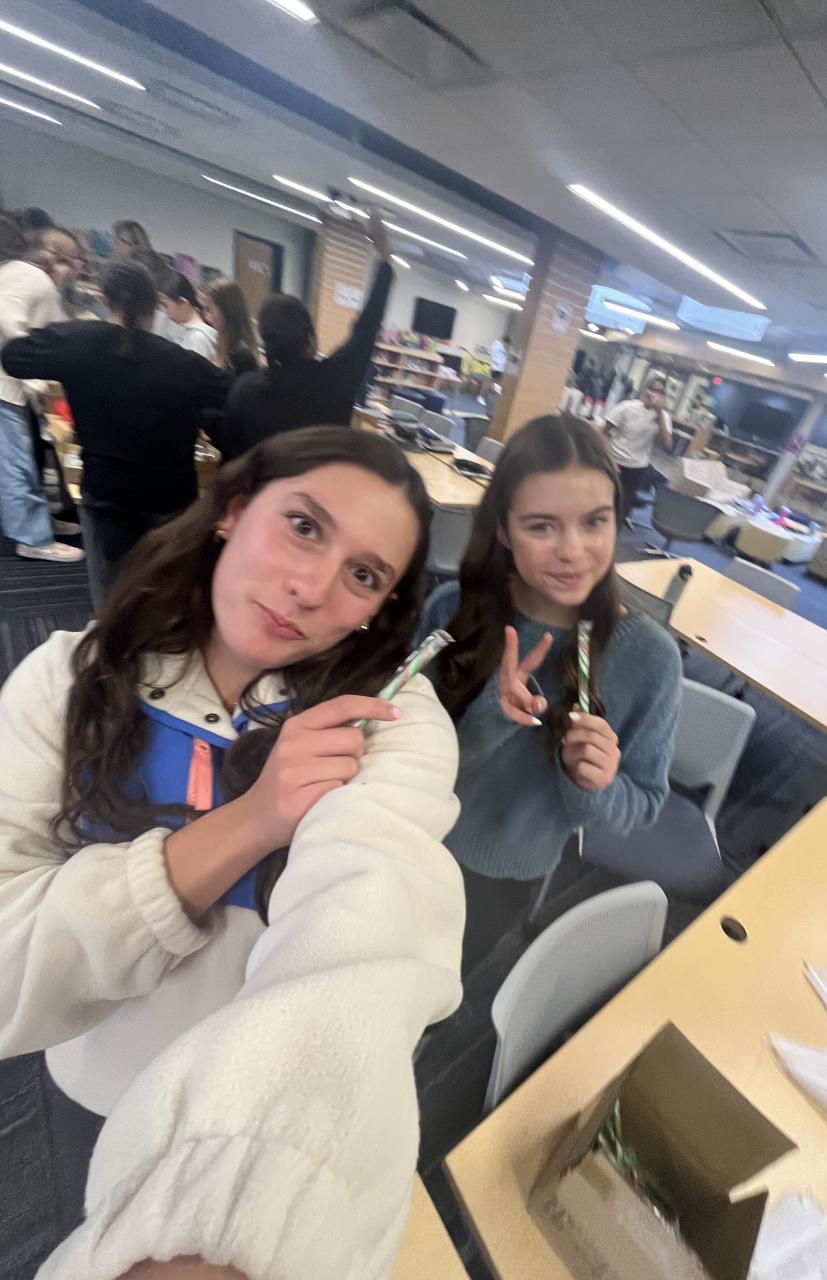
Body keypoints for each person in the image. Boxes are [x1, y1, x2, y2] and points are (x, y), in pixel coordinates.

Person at [0, 427, 465, 1279]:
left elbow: (370, 935)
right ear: (235, 511)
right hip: (90, 1073)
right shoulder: (65, 681)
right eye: (303, 526)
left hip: (254, 1116)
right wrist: (251, 823)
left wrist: (246, 1209)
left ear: (379, 608)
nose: (312, 588)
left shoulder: (386, 725)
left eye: (364, 575)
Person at [421, 414, 681, 973]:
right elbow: (398, 745)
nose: (573, 550)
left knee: (433, 990)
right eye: (541, 527)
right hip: (408, 831)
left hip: (500, 874)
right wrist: (491, 715)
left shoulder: (648, 658)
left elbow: (643, 803)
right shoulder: (451, 610)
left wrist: (593, 783)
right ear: (503, 530)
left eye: (595, 522)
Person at [1, 261, 233, 605]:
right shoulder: (179, 361)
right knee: (166, 595)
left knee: (112, 598)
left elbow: (13, 357)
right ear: (153, 304)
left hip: (106, 494)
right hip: (170, 498)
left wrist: (60, 337)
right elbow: (231, 392)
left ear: (105, 298)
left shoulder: (78, 340)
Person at [218, 214, 394, 462]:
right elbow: (367, 326)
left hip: (265, 487)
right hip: (322, 487)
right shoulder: (337, 378)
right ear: (310, 335)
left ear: (265, 338)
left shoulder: (246, 389)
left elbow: (230, 461)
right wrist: (384, 257)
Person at [0, 215, 84, 563]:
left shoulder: (16, 273)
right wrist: (33, 375)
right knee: (16, 464)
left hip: (9, 386)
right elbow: (8, 318)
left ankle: (38, 522)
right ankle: (33, 538)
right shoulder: (37, 279)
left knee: (21, 459)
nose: (75, 272)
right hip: (5, 387)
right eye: (74, 264)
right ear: (61, 261)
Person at [602, 375, 673, 526]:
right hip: (614, 460)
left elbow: (667, 444)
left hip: (637, 466)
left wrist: (659, 413)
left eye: (660, 392)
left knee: (623, 506)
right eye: (652, 389)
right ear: (645, 390)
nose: (654, 394)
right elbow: (603, 433)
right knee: (603, 499)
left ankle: (615, 530)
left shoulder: (663, 416)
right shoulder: (627, 407)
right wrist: (608, 458)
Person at [199, 275, 260, 375]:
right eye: (203, 308)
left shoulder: (242, 354)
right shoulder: (220, 340)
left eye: (208, 309)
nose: (204, 315)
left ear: (226, 311)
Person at [158, 270, 219, 360]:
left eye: (165, 305)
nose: (164, 311)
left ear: (183, 302)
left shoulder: (197, 338)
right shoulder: (187, 332)